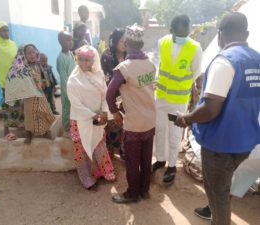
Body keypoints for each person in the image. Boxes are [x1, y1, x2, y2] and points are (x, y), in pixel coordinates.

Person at [174, 12, 260, 225]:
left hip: (220, 145)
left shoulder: (225, 61)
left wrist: (186, 118)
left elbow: (211, 109)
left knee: (218, 195)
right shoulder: (257, 59)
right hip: (246, 141)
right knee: (224, 186)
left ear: (220, 35)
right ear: (246, 33)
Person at [107, 24, 156, 203]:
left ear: (126, 43)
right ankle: (144, 190)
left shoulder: (124, 68)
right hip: (150, 119)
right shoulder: (150, 64)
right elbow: (142, 90)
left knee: (132, 161)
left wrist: (115, 112)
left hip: (134, 122)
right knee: (146, 157)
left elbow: (109, 93)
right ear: (141, 43)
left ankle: (132, 194)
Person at [153, 15, 203, 184]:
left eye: (186, 33)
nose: (184, 37)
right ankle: (160, 160)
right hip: (161, 97)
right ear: (171, 31)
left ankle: (172, 165)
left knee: (174, 135)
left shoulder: (195, 48)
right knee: (159, 130)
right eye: (180, 34)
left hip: (178, 101)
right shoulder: (162, 42)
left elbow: (195, 72)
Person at [67, 45, 115, 190]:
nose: (84, 63)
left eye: (87, 60)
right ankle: (87, 179)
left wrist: (105, 113)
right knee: (81, 150)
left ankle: (106, 173)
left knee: (99, 145)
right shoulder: (73, 80)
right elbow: (76, 104)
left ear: (93, 60)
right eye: (81, 60)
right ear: (77, 59)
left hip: (98, 118)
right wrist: (94, 115)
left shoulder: (98, 75)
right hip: (80, 120)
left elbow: (104, 95)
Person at [5, 44, 56, 144]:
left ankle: (44, 132)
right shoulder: (23, 68)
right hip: (29, 96)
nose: (32, 55)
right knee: (30, 115)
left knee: (44, 111)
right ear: (23, 55)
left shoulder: (37, 65)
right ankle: (28, 134)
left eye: (33, 52)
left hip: (39, 94)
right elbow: (15, 75)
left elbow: (40, 77)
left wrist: (43, 82)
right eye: (29, 53)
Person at [101, 28, 126, 158]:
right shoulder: (107, 56)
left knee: (124, 125)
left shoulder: (128, 54)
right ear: (115, 41)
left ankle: (122, 149)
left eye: (125, 41)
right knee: (113, 124)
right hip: (112, 96)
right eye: (121, 41)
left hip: (127, 96)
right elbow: (109, 79)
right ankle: (110, 151)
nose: (124, 43)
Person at [0, 21, 20, 140]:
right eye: (3, 31)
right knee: (7, 105)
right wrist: (3, 83)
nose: (6, 32)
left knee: (18, 103)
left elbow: (17, 59)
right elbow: (0, 66)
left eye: (7, 30)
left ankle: (19, 126)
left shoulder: (13, 44)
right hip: (5, 81)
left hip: (17, 78)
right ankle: (6, 128)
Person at [56, 31, 76, 137]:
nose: (71, 42)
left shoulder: (71, 54)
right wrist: (68, 94)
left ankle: (72, 126)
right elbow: (63, 79)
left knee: (73, 108)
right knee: (66, 109)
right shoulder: (61, 58)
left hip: (74, 87)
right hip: (66, 89)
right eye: (67, 40)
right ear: (61, 42)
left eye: (71, 40)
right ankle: (66, 129)